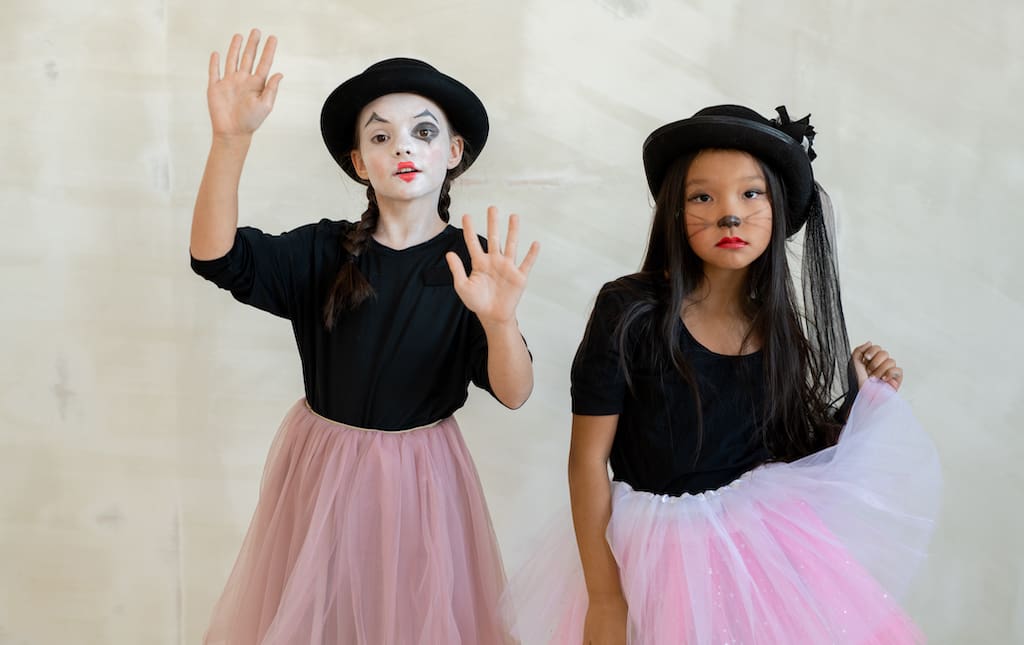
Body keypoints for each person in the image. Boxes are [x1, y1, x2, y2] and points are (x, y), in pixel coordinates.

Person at [504, 105, 940, 644]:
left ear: (778, 208)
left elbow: (790, 456)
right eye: (702, 197)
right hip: (653, 555)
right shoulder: (631, 310)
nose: (729, 215)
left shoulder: (778, 332)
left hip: (759, 556)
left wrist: (859, 398)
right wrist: (606, 596)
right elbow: (587, 459)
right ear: (674, 212)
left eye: (750, 194)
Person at [190, 29, 538, 645]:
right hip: (322, 468)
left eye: (423, 132)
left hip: (424, 477)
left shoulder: (471, 266)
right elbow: (216, 258)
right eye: (381, 135)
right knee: (322, 615)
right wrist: (230, 141)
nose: (403, 146)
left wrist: (501, 322)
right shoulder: (324, 251)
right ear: (359, 163)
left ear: (453, 151)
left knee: (411, 616)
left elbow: (514, 392)